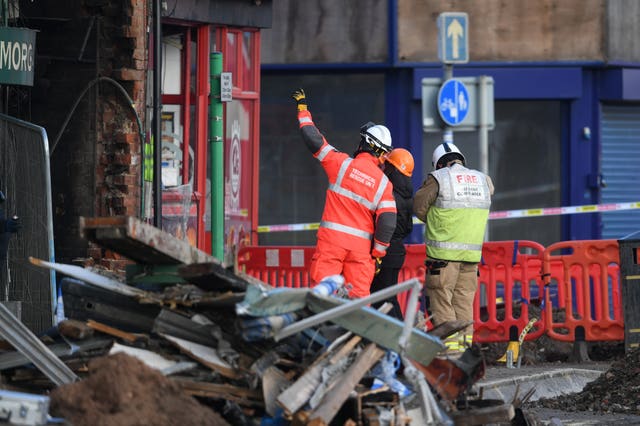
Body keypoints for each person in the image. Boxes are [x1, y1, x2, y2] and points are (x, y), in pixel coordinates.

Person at [291, 88, 397, 299]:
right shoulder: (384, 184)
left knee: (322, 296)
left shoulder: (341, 165)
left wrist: (303, 110)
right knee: (358, 301)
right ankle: (354, 333)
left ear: (364, 143)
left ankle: (321, 331)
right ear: (382, 154)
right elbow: (388, 222)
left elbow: (314, 140)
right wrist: (378, 253)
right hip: (360, 251)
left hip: (332, 244)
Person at [413, 142, 494, 354]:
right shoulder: (483, 180)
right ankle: (464, 350)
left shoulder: (438, 178)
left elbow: (419, 207)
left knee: (441, 302)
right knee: (464, 304)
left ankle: (450, 352)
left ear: (439, 164)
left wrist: (435, 220)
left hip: (443, 257)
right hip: (471, 256)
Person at [370, 148, 415, 319]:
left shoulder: (388, 192)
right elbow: (408, 228)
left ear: (393, 168)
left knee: (383, 299)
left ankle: (400, 336)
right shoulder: (407, 194)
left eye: (387, 164)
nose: (383, 167)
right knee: (387, 296)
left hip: (385, 252)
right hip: (397, 251)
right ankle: (400, 335)